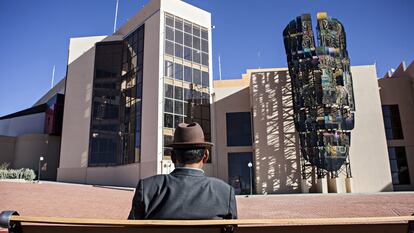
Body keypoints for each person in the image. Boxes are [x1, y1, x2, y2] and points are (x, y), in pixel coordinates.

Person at [128, 122, 237, 220]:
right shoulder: (225, 192)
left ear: (172, 157)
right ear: (205, 156)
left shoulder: (147, 188)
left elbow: (130, 229)